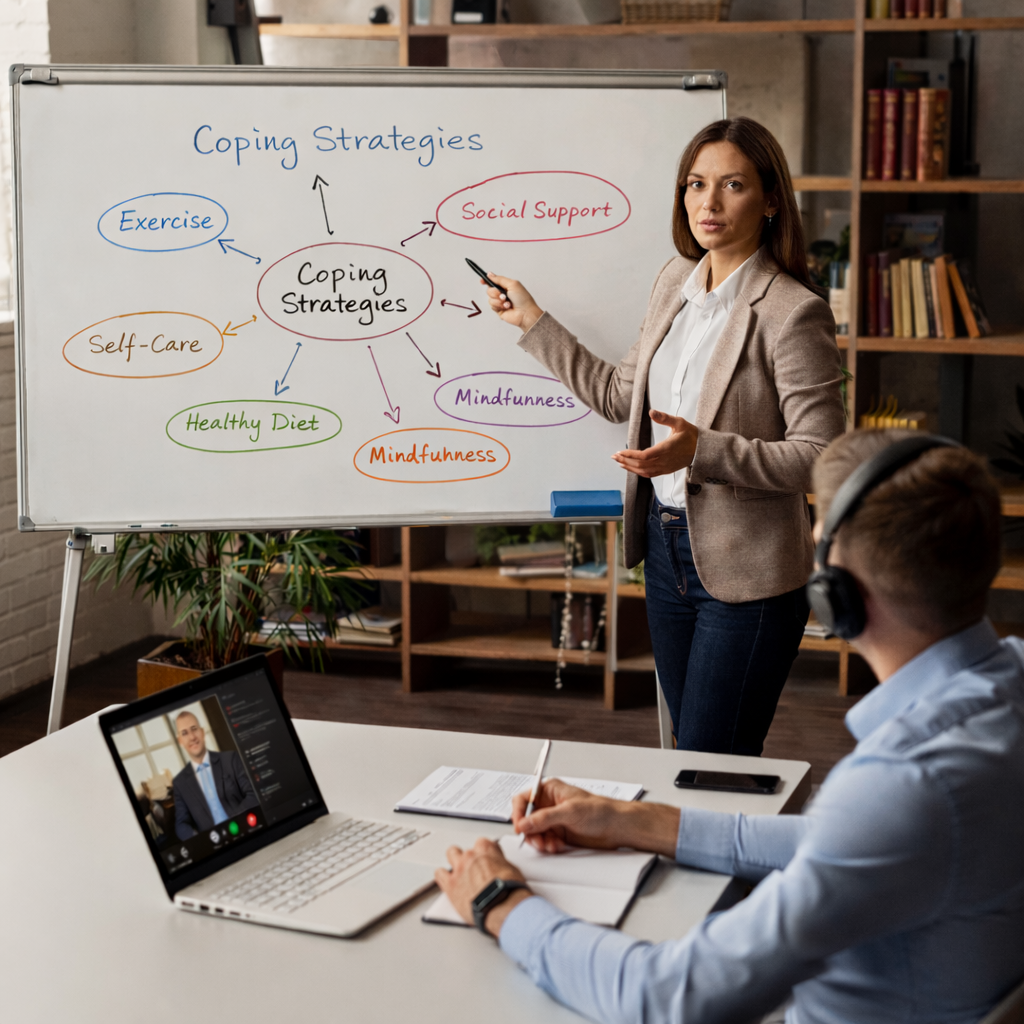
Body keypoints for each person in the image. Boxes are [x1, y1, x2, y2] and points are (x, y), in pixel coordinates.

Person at [435, 430, 1024, 1023]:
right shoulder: (1006, 690)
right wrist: (633, 821)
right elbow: (848, 846)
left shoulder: (904, 784)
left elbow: (665, 998)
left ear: (833, 590)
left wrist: (500, 901)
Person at [479, 117, 845, 755]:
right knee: (690, 755)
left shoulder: (792, 311)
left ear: (770, 200)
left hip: (751, 574)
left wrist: (701, 450)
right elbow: (622, 396)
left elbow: (820, 459)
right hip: (665, 552)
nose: (709, 202)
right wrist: (533, 320)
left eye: (732, 184)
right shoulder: (671, 284)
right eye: (696, 184)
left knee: (711, 761)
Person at [171, 710, 258, 839]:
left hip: (246, 833)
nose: (192, 737)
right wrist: (199, 840)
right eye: (184, 733)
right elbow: (181, 824)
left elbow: (253, 794)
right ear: (180, 741)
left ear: (202, 731)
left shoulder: (230, 759)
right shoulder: (179, 783)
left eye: (194, 729)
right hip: (214, 846)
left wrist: (232, 824)